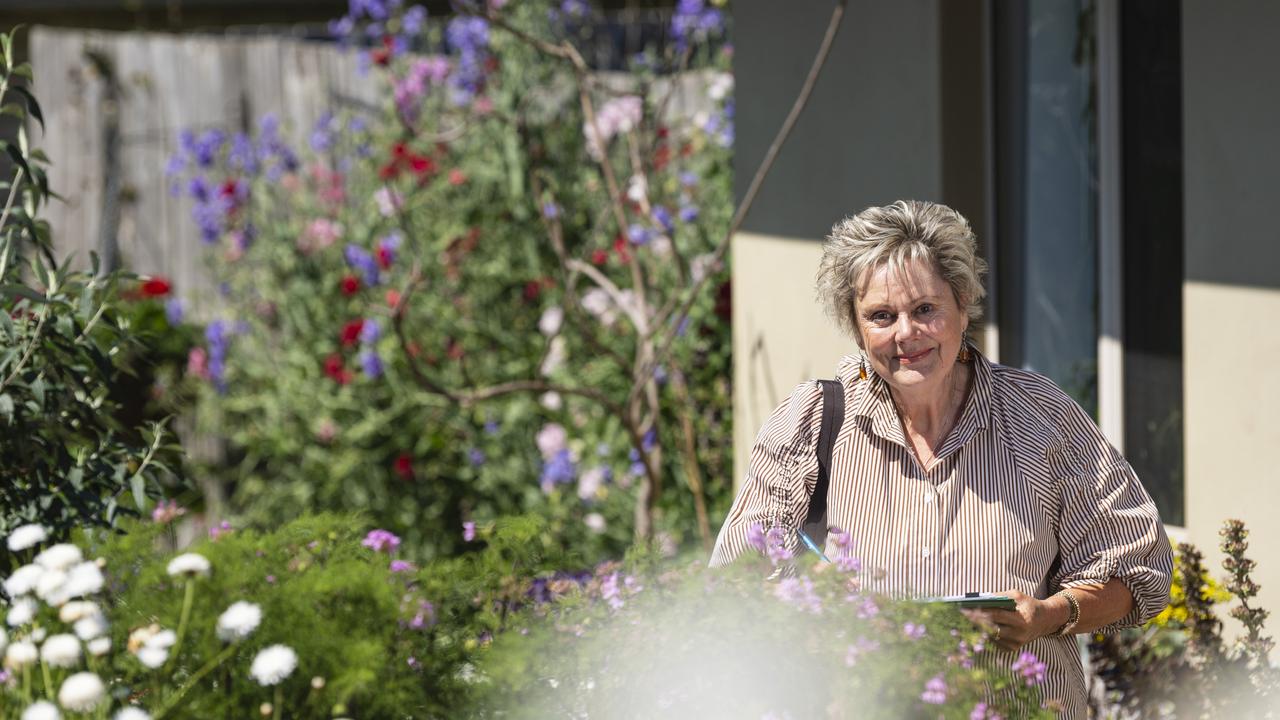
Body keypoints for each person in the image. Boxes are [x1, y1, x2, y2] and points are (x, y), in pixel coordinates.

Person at [709, 200, 1172, 718]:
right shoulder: (811, 422)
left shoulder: (1041, 418)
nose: (906, 334)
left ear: (964, 302)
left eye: (925, 309)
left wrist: (1049, 615)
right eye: (881, 316)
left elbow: (1139, 570)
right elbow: (736, 585)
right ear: (856, 325)